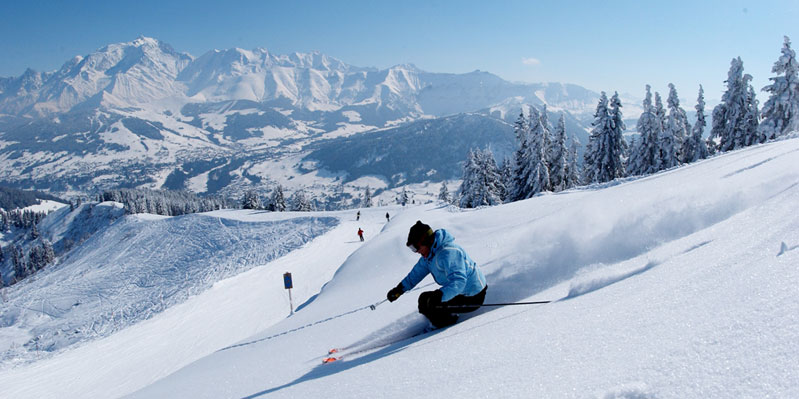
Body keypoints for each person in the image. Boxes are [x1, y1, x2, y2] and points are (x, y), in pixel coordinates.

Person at [386, 221, 487, 329]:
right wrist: (399, 289)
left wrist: (440, 295)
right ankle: (442, 321)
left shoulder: (448, 252)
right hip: (460, 292)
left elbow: (459, 281)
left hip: (474, 296)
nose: (416, 252)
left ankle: (445, 326)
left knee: (430, 302)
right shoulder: (429, 255)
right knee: (425, 300)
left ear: (426, 241)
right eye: (412, 249)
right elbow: (415, 274)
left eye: (416, 247)